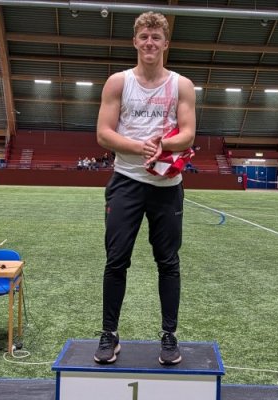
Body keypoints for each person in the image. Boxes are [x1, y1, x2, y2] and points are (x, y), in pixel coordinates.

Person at [94, 11, 196, 366]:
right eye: (144, 37)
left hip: (167, 184)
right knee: (116, 260)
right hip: (126, 180)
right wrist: (142, 147)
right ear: (135, 42)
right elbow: (104, 133)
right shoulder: (118, 82)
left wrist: (164, 147)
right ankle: (109, 334)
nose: (150, 43)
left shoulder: (181, 85)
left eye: (156, 37)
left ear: (166, 44)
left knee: (168, 262)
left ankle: (169, 336)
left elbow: (188, 133)